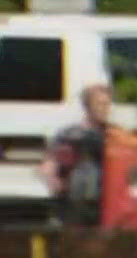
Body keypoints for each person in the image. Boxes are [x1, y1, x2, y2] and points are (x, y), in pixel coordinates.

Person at [39, 84, 116, 225]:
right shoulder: (69, 135)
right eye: (99, 104)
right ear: (87, 106)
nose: (105, 108)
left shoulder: (115, 137)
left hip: (107, 205)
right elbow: (48, 165)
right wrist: (54, 181)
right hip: (74, 204)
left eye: (107, 104)